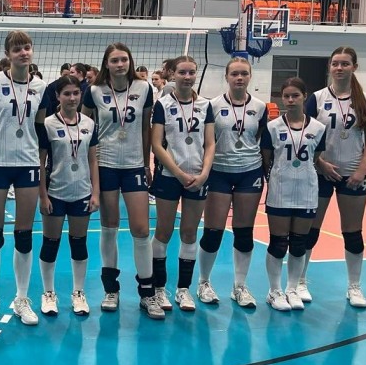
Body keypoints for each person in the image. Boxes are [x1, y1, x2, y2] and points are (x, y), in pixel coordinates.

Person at [0, 30, 47, 326]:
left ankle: (21, 298)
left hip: (28, 163)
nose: (23, 53)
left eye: (27, 47)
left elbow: (41, 129)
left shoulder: (41, 86)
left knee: (24, 234)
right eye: (17, 49)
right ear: (8, 54)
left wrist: (42, 164)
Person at [81, 43, 155, 315]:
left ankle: (147, 293)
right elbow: (83, 127)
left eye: (124, 59)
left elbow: (146, 128)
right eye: (115, 60)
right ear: (107, 64)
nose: (120, 64)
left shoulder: (144, 88)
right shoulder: (94, 91)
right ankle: (111, 290)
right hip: (106, 165)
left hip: (134, 165)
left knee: (141, 230)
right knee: (109, 227)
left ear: (130, 61)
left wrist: (146, 163)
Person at [303, 47, 366, 308]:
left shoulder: (365, 100)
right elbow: (304, 135)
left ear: (354, 67)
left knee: (353, 232)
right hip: (321, 173)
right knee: (309, 231)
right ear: (330, 67)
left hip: (352, 174)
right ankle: (299, 281)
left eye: (345, 63)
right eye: (335, 63)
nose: (339, 68)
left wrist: (361, 171)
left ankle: (354, 286)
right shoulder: (317, 98)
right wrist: (320, 163)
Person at [195, 57, 267, 308]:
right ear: (226, 76)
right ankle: (204, 282)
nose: (239, 78)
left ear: (250, 77)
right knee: (213, 232)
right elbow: (207, 140)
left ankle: (240, 286)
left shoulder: (260, 107)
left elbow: (259, 138)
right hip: (219, 172)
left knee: (244, 232)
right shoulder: (212, 105)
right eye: (234, 73)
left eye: (244, 74)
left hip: (249, 171)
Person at [150, 55, 215, 313]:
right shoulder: (163, 104)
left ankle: (183, 289)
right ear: (173, 75)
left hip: (198, 176)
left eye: (191, 72)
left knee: (189, 232)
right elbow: (156, 144)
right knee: (164, 231)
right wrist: (177, 172)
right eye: (182, 72)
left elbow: (210, 143)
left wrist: (205, 173)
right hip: (169, 176)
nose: (187, 77)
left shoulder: (206, 105)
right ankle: (158, 288)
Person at [260, 77, 327, 311]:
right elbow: (266, 159)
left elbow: (316, 158)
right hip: (280, 191)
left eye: (295, 95)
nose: (290, 100)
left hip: (307, 191)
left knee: (299, 244)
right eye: (286, 96)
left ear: (304, 97)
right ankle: (274, 291)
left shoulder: (318, 128)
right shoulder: (272, 127)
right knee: (278, 243)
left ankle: (292, 288)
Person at [38, 75, 99, 316]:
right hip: (55, 192)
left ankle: (78, 292)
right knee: (50, 243)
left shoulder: (89, 123)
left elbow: (93, 160)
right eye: (67, 94)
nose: (72, 98)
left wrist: (95, 192)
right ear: (58, 96)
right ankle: (48, 293)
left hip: (81, 192)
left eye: (76, 93)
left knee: (79, 243)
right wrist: (43, 195)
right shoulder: (48, 124)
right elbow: (41, 162)